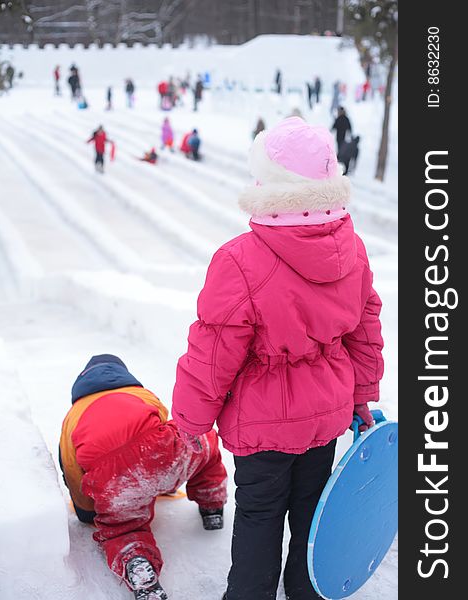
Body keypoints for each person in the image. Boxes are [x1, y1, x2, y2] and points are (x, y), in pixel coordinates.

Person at [172, 117, 384, 600]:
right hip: (326, 413)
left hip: (263, 425)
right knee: (313, 508)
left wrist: (190, 420)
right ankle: (307, 589)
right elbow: (365, 327)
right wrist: (361, 393)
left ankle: (250, 593)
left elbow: (214, 349)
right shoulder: (350, 247)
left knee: (260, 515)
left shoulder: (240, 259)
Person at [60, 354, 227, 600]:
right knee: (205, 444)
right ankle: (212, 505)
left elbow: (72, 471)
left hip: (114, 479)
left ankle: (136, 563)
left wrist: (88, 512)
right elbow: (168, 427)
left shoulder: (72, 417)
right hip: (159, 453)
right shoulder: (142, 394)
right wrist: (166, 480)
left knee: (122, 528)